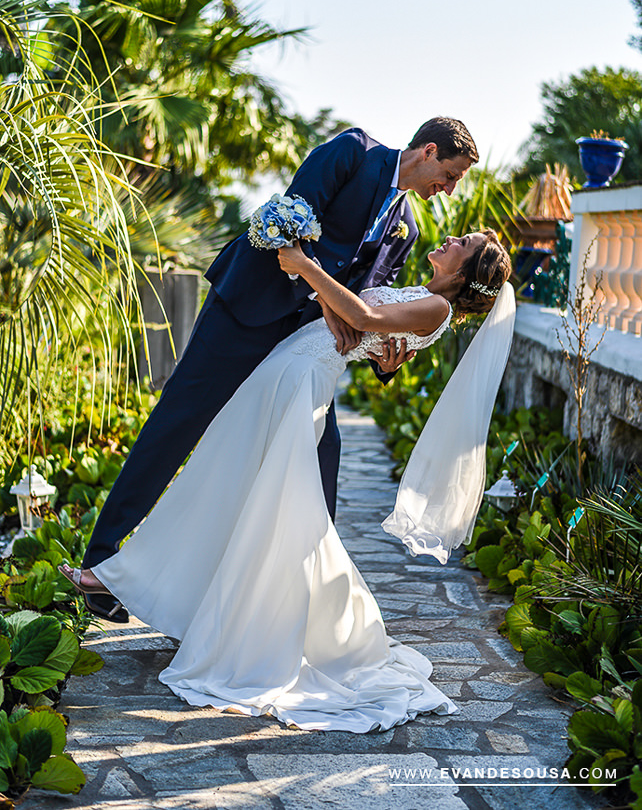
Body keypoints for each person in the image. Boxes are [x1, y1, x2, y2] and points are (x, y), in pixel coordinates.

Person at [61, 229, 514, 733]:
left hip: (301, 383)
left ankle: (241, 620)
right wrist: (328, 298)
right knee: (222, 485)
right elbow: (358, 319)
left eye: (463, 243)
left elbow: (363, 318)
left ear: (464, 272)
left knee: (259, 502)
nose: (451, 237)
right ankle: (158, 590)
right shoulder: (423, 295)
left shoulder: (437, 310)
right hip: (286, 371)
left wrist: (301, 263)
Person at [81, 117, 479, 622]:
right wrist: (334, 307)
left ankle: (299, 604)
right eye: (451, 175)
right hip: (245, 312)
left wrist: (387, 355)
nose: (447, 189)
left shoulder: (408, 229)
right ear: (427, 151)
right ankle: (102, 564)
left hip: (300, 350)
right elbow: (289, 225)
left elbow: (373, 306)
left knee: (321, 457)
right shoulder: (354, 153)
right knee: (178, 426)